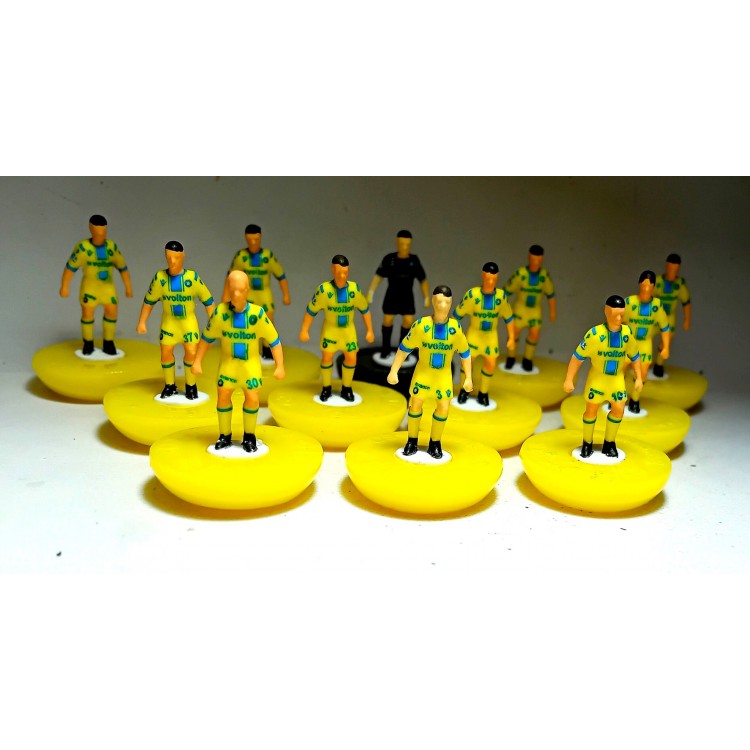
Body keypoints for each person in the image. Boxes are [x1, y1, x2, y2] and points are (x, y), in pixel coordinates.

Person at [192, 270, 285, 452]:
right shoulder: (220, 313)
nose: (236, 294)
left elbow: (274, 341)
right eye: (232, 289)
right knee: (223, 396)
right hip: (228, 366)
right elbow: (206, 339)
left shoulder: (257, 315)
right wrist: (197, 361)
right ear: (228, 289)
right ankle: (224, 436)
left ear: (247, 290)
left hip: (250, 366)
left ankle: (249, 436)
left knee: (252, 398)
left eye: (240, 290)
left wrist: (280, 365)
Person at [388, 286, 472, 459]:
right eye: (439, 301)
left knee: (444, 407)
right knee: (415, 404)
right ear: (433, 302)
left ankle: (435, 443)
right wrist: (393, 370)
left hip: (443, 377)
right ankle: (412, 440)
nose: (443, 306)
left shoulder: (455, 329)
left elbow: (465, 354)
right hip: (423, 375)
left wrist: (469, 377)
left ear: (451, 303)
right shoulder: (421, 326)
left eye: (447, 302)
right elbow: (404, 349)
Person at [563, 295, 642, 459]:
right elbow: (577, 357)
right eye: (615, 315)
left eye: (622, 315)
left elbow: (635, 356)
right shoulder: (595, 335)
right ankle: (587, 443)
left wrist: (639, 377)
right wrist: (569, 379)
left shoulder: (627, 334)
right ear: (606, 312)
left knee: (619, 409)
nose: (619, 319)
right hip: (597, 380)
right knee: (591, 410)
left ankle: (609, 443)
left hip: (616, 380)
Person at [136, 240, 216, 399]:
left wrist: (214, 324)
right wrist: (142, 322)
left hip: (188, 323)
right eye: (169, 257)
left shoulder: (192, 278)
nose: (172, 261)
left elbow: (208, 301)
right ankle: (169, 385)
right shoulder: (160, 278)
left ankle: (191, 386)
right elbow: (149, 301)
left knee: (191, 352)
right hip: (169, 323)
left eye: (176, 257)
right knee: (166, 352)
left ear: (183, 256)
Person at [300, 254, 374, 402]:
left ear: (349, 271)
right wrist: (304, 329)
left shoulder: (354, 290)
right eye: (339, 272)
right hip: (330, 331)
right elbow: (311, 311)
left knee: (351, 358)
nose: (342, 276)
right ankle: (326, 388)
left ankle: (346, 388)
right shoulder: (324, 291)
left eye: (345, 272)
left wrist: (370, 330)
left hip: (348, 331)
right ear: (333, 270)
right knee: (327, 358)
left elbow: (365, 310)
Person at [59, 214, 133, 355]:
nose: (101, 234)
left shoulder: (111, 247)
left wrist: (128, 287)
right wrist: (65, 286)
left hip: (107, 288)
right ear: (91, 230)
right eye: (98, 231)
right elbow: (70, 268)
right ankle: (88, 343)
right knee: (87, 313)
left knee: (112, 311)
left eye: (103, 231)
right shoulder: (83, 248)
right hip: (90, 288)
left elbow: (122, 267)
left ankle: (108, 342)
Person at [223, 224, 290, 359]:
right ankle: (248, 351)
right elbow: (231, 276)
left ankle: (267, 351)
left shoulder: (267, 256)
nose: (253, 243)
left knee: (268, 322)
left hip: (264, 293)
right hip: (247, 294)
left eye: (256, 239)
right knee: (246, 322)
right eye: (250, 240)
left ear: (260, 238)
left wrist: (286, 294)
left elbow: (281, 276)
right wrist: (226, 295)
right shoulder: (241, 256)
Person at [453, 262, 515, 406]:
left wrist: (511, 337)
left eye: (494, 279)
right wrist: (451, 335)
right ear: (482, 276)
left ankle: (483, 393)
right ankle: (464, 390)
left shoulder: (501, 297)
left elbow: (509, 318)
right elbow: (456, 316)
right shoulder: (472, 295)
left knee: (491, 364)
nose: (490, 282)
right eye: (488, 279)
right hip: (474, 334)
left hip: (490, 336)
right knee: (467, 362)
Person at [367, 230, 429, 361]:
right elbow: (378, 276)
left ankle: (402, 352)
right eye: (402, 244)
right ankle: (385, 350)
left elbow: (422, 280)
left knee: (408, 321)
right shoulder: (389, 259)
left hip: (407, 296)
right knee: (388, 320)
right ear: (397, 243)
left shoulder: (414, 261)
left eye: (407, 244)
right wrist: (371, 292)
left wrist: (427, 297)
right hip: (392, 295)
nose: (404, 247)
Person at [623, 270, 671, 412]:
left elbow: (665, 327)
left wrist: (666, 347)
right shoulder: (629, 302)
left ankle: (635, 400)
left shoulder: (657, 306)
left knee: (642, 373)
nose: (646, 289)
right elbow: (615, 321)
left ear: (653, 287)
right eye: (643, 286)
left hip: (644, 344)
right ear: (639, 285)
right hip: (628, 342)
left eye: (649, 286)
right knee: (620, 369)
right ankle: (616, 398)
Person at [503, 244, 556, 371]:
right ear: (529, 258)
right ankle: (511, 357)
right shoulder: (520, 274)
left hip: (535, 311)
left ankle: (528, 359)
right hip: (520, 309)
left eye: (538, 260)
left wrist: (553, 311)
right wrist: (501, 308)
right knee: (514, 333)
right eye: (533, 259)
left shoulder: (544, 276)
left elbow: (550, 294)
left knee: (534, 334)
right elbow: (506, 292)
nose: (536, 263)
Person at [653, 253, 691, 377]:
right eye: (670, 268)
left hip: (669, 318)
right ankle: (636, 361)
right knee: (642, 337)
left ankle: (658, 365)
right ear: (666, 266)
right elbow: (645, 297)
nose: (672, 272)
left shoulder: (679, 285)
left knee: (666, 342)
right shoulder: (657, 281)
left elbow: (686, 302)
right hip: (654, 316)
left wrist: (687, 320)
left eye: (675, 269)